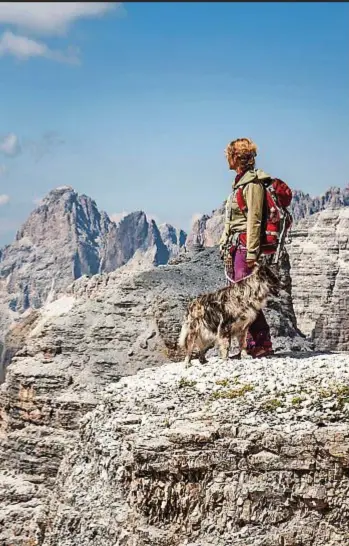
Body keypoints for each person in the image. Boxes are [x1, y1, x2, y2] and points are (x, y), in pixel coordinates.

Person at [219, 137, 273, 358]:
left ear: (236, 157)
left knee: (246, 297)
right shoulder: (240, 182)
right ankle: (249, 345)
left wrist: (251, 252)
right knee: (238, 297)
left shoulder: (252, 184)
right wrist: (224, 242)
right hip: (235, 245)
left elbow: (255, 219)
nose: (226, 159)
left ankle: (260, 343)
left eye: (228, 155)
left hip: (244, 247)